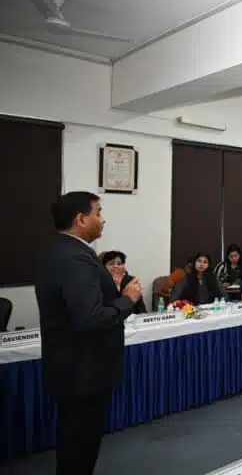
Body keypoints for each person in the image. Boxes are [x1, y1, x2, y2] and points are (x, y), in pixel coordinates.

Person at [35, 191, 143, 474]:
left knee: (76, 442)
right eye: (98, 212)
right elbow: (91, 318)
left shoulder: (60, 250)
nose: (103, 219)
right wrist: (128, 300)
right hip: (83, 369)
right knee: (79, 446)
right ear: (81, 219)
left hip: (74, 366)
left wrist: (113, 292)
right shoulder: (75, 258)